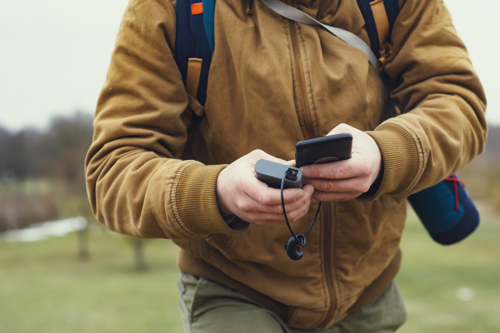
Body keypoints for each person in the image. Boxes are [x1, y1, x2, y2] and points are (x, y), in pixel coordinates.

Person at [85, 0, 487, 331]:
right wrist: (218, 191)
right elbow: (114, 169)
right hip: (234, 288)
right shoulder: (166, 10)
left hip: (369, 293)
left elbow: (457, 102)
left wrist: (387, 154)